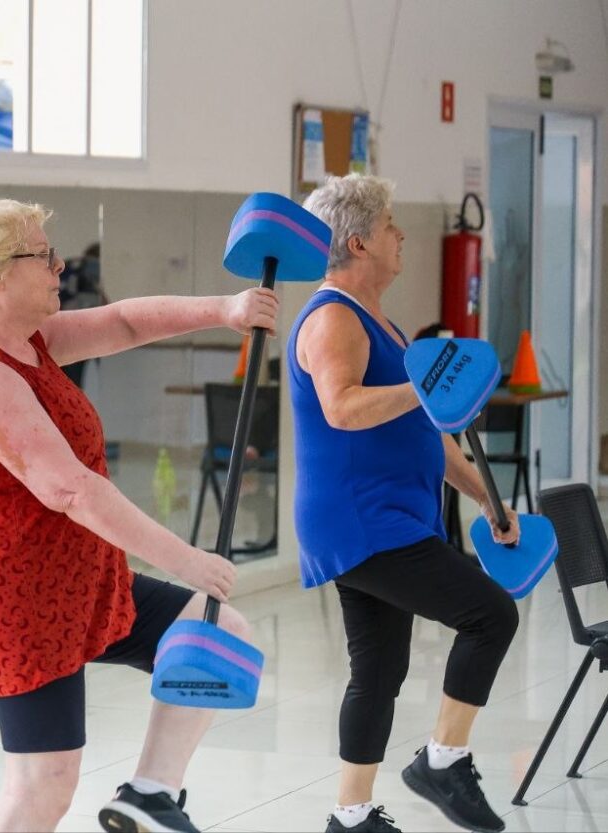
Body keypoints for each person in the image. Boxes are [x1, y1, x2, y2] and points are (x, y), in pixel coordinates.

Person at [0, 199, 277, 833]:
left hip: (81, 579)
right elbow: (72, 491)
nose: (60, 265)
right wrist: (188, 560)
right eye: (42, 254)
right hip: (19, 603)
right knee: (43, 785)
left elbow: (124, 323)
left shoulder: (24, 339)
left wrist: (224, 311)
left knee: (218, 632)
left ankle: (150, 794)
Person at [290, 174, 519, 833]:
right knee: (490, 615)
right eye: (391, 225)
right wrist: (424, 386)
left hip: (386, 513)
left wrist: (487, 499)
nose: (401, 236)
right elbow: (343, 407)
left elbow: (427, 426)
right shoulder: (333, 316)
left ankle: (351, 814)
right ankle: (443, 759)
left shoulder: (377, 319)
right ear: (359, 242)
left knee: (381, 669)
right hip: (364, 518)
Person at [58, 241, 106, 388]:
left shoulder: (67, 266)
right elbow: (100, 300)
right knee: (75, 381)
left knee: (63, 379)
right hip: (82, 329)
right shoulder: (93, 267)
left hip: (58, 327)